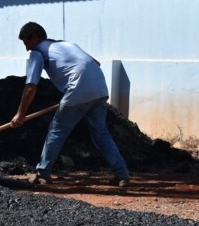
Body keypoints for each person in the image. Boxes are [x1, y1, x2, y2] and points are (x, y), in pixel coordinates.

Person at [11, 21, 130, 187]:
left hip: (77, 91)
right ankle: (122, 174)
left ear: (36, 38)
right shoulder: (67, 44)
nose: (27, 48)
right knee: (101, 134)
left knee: (56, 133)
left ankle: (43, 173)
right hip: (100, 88)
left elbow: (31, 86)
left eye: (27, 43)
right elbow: (95, 63)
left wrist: (20, 113)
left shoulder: (38, 52)